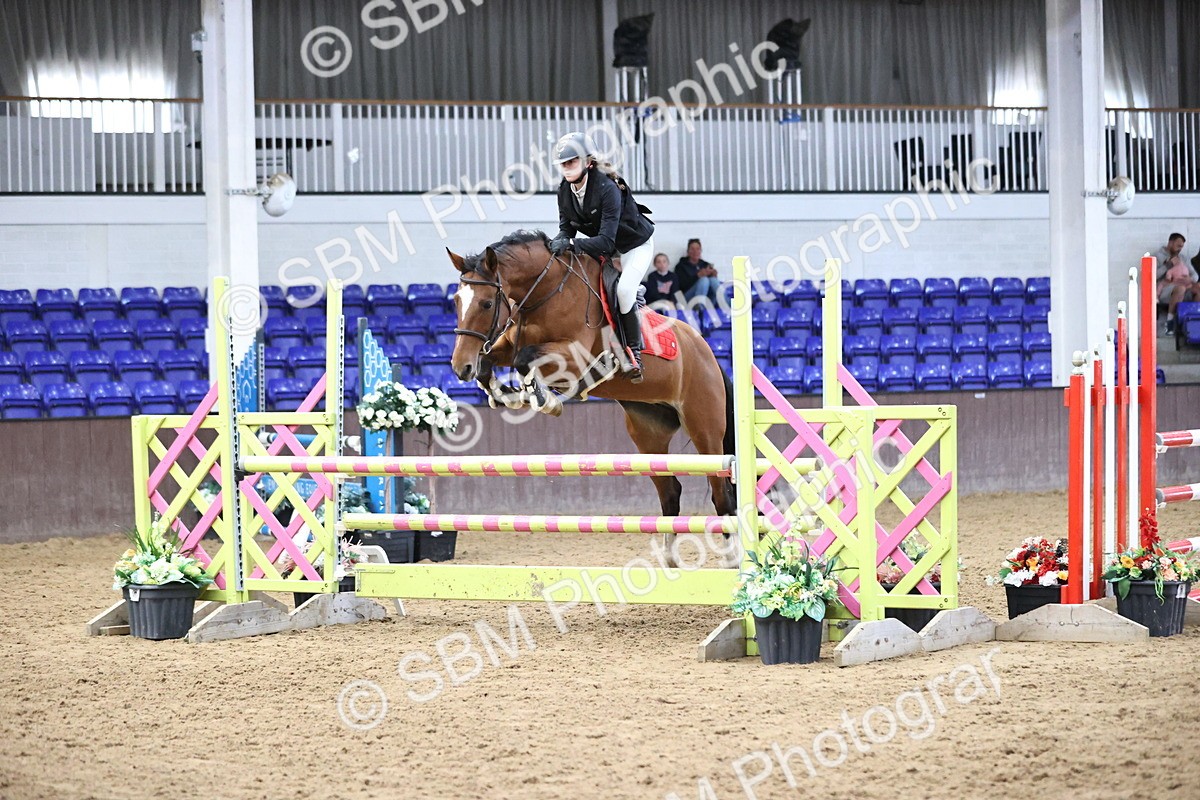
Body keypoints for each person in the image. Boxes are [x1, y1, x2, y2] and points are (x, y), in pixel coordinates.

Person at [548, 131, 655, 382]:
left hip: (633, 247)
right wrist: (557, 243)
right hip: (604, 249)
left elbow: (606, 241)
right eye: (563, 164)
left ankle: (633, 354)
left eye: (572, 161)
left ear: (588, 162)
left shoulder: (607, 188)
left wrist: (570, 243)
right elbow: (567, 229)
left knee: (624, 291)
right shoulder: (564, 190)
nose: (567, 167)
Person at [1155, 233, 1199, 334]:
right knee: (1180, 288)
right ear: (1170, 243)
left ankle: (1194, 322)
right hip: (1165, 289)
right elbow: (1153, 276)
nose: (1180, 249)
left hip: (1184, 287)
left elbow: (1195, 275)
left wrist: (1190, 279)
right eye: (1178, 246)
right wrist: (1168, 265)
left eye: (1182, 247)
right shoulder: (1157, 256)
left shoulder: (1183, 258)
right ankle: (1169, 323)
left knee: (1198, 288)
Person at [675, 239, 719, 305]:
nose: (695, 251)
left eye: (698, 249)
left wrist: (713, 275)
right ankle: (699, 308)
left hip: (707, 299)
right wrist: (697, 276)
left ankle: (728, 305)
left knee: (713, 280)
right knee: (704, 280)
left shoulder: (705, 264)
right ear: (688, 251)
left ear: (701, 251)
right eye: (692, 249)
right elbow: (681, 287)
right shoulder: (681, 266)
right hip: (687, 298)